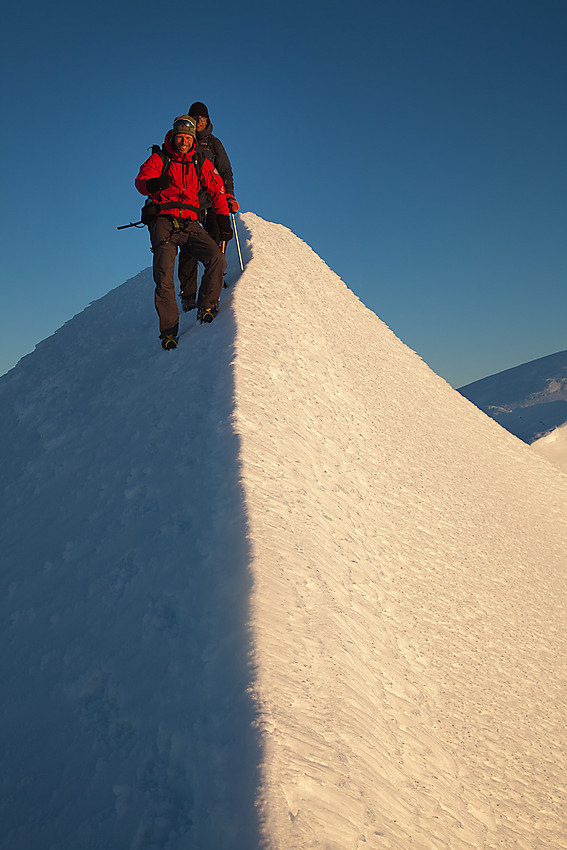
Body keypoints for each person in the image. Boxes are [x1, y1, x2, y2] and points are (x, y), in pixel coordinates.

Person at [135, 115, 233, 348]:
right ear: (173, 135)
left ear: (193, 139)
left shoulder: (200, 162)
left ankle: (207, 306)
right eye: (180, 136)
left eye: (188, 137)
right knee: (164, 275)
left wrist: (223, 221)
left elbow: (217, 191)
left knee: (216, 258)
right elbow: (141, 181)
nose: (184, 141)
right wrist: (155, 184)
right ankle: (168, 331)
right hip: (164, 220)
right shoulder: (159, 158)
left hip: (190, 222)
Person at [178, 101, 239, 310]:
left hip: (213, 200)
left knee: (217, 237)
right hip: (191, 203)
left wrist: (229, 196)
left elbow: (226, 171)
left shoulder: (214, 144)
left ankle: (216, 279)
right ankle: (188, 294)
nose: (199, 122)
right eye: (195, 119)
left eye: (202, 119)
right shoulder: (184, 143)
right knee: (188, 247)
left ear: (208, 120)